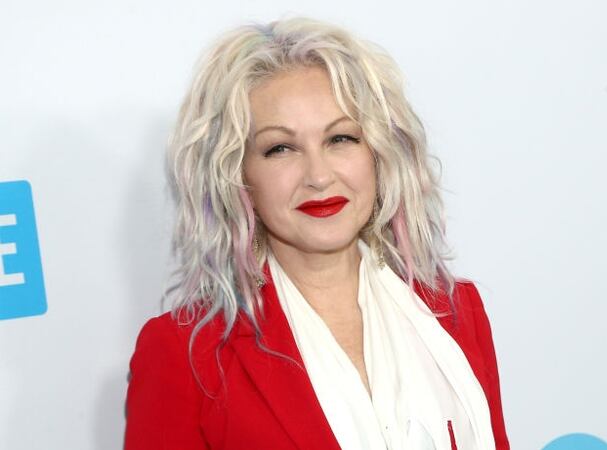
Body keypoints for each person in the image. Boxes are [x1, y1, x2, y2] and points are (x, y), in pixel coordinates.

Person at [124, 17, 510, 450]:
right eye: (280, 148)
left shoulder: (457, 313)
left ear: (379, 153)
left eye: (340, 139)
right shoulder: (184, 354)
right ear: (237, 175)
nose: (319, 176)